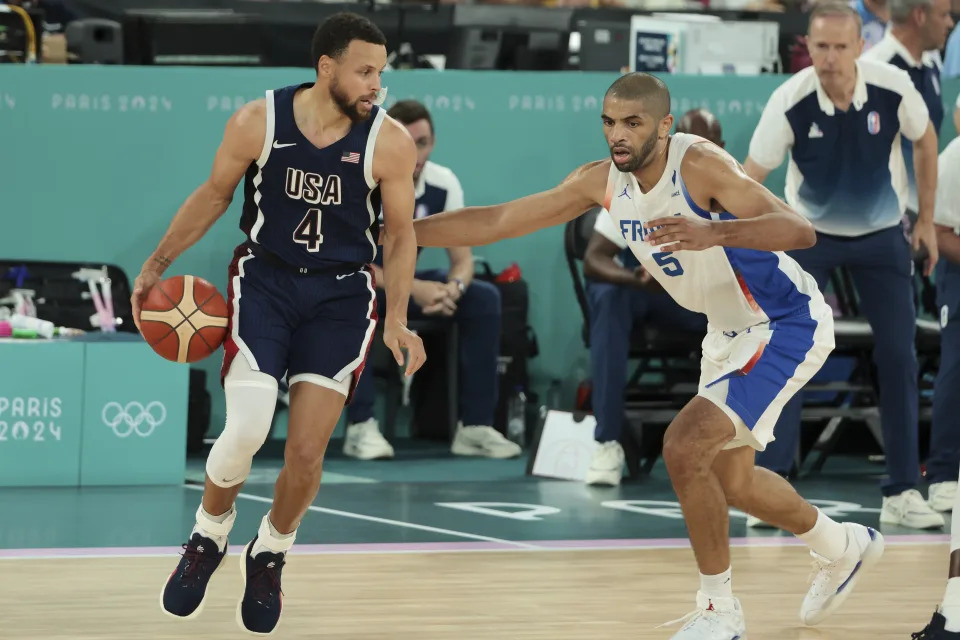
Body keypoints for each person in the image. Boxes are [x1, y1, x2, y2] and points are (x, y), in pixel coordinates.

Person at [407, 70, 883, 639]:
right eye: (609, 123)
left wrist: (714, 234)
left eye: (632, 123)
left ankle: (719, 612)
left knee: (683, 447)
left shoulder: (701, 165)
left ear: (663, 124)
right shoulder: (602, 180)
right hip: (726, 331)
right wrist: (400, 232)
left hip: (782, 323)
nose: (618, 136)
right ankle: (845, 545)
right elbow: (499, 219)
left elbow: (798, 230)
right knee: (735, 482)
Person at [130, 12, 426, 635]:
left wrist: (397, 317)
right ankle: (208, 536)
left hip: (343, 297)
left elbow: (400, 236)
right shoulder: (258, 120)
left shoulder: (389, 141)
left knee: (307, 450)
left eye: (381, 71)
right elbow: (214, 195)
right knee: (246, 427)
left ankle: (270, 552)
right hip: (265, 282)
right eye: (365, 70)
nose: (376, 83)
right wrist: (156, 264)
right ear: (327, 67)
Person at [744, 1, 943, 530]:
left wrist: (925, 219)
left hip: (881, 236)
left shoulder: (893, 86)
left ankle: (902, 489)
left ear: (860, 46)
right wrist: (752, 239)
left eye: (840, 46)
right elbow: (748, 177)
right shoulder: (789, 100)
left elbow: (925, 141)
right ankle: (773, 484)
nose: (829, 58)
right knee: (788, 351)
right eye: (820, 47)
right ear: (808, 47)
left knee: (898, 355)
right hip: (810, 235)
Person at [344, 99, 520, 460]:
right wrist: (416, 289)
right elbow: (348, 259)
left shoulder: (443, 183)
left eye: (422, 143)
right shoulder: (360, 179)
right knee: (352, 295)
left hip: (407, 281)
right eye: (406, 141)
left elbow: (463, 259)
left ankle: (474, 427)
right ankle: (360, 426)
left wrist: (452, 289)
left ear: (433, 143)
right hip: (363, 281)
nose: (415, 152)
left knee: (483, 297)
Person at [582, 108, 715, 487]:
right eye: (689, 144)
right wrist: (636, 278)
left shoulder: (730, 184)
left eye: (707, 145)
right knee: (609, 298)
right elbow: (594, 259)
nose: (697, 153)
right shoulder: (637, 184)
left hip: (711, 302)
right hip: (658, 295)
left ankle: (747, 454)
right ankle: (607, 442)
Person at [913, 135, 960, 639]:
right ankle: (944, 470)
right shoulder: (953, 158)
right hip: (959, 272)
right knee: (956, 365)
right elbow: (939, 232)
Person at [862, 0, 952, 219]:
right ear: (920, 16)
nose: (950, 23)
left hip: (926, 211)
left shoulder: (931, 65)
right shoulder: (873, 71)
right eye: (943, 15)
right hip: (884, 216)